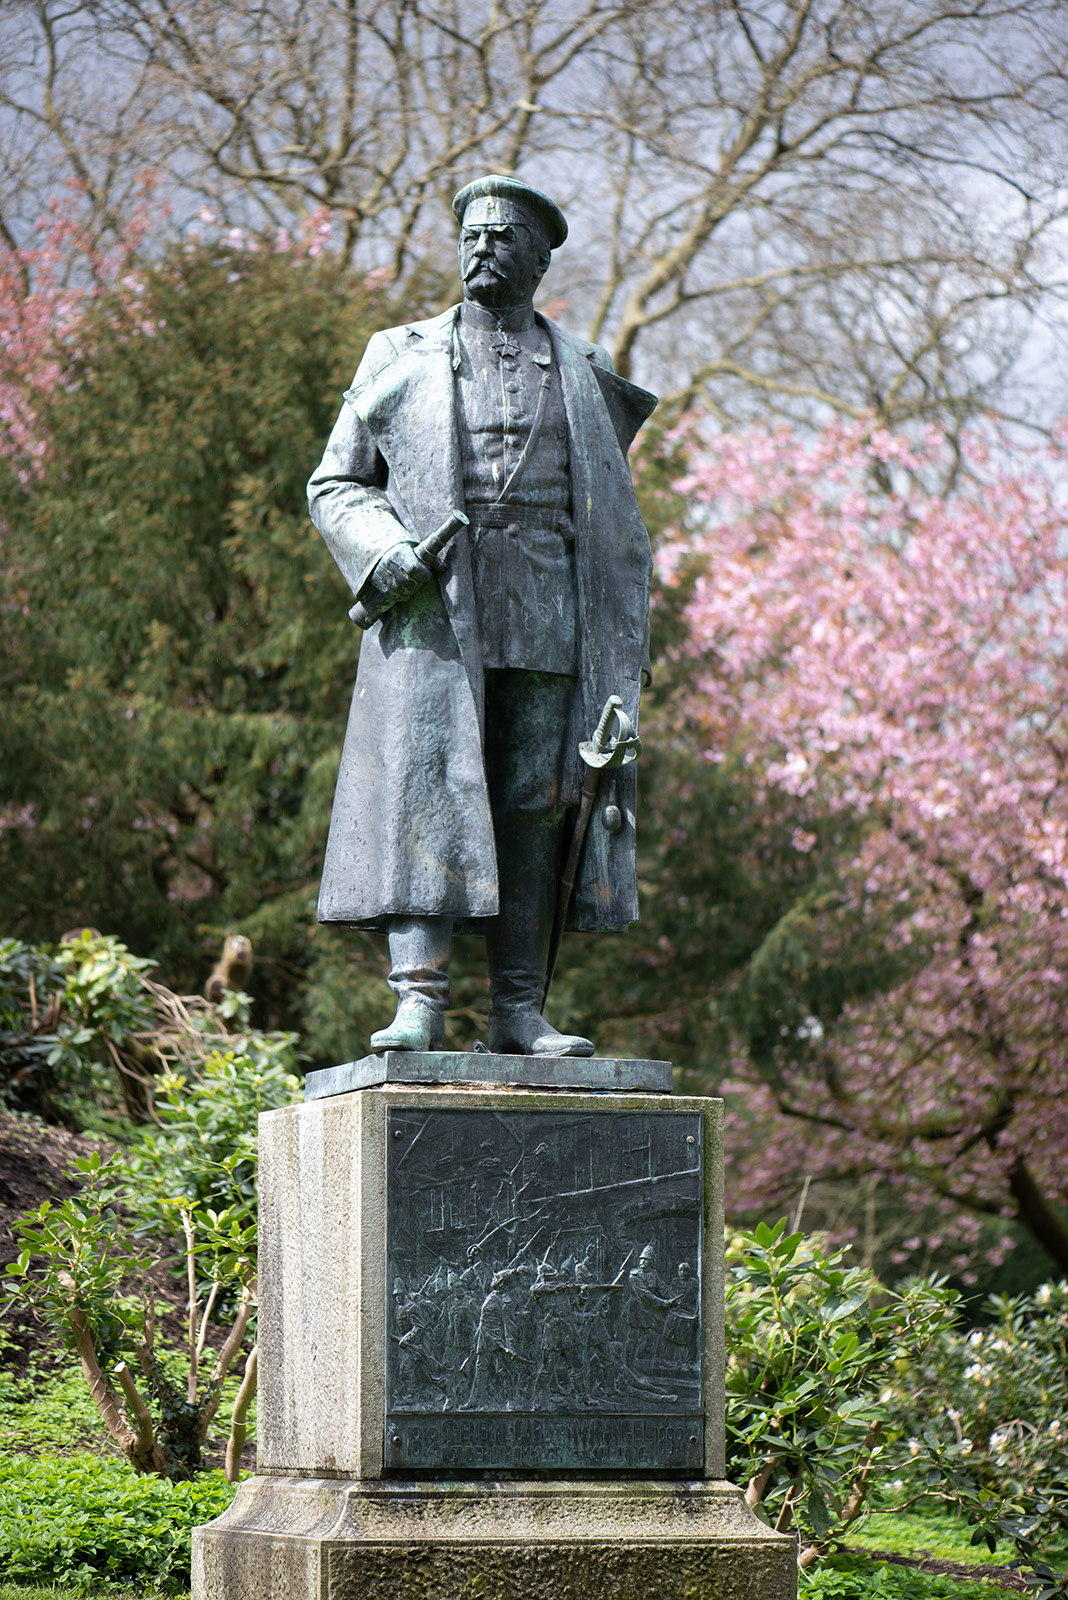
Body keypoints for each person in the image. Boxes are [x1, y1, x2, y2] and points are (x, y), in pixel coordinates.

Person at [308, 174, 656, 1056]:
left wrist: (620, 661)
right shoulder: (399, 351)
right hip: (436, 606)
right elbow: (336, 482)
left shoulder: (583, 370)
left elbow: (616, 527)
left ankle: (518, 1010)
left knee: (533, 806)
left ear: (539, 257)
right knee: (425, 788)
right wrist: (387, 555)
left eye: (502, 238)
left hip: (549, 609)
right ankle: (418, 1000)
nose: (481, 249)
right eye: (471, 234)